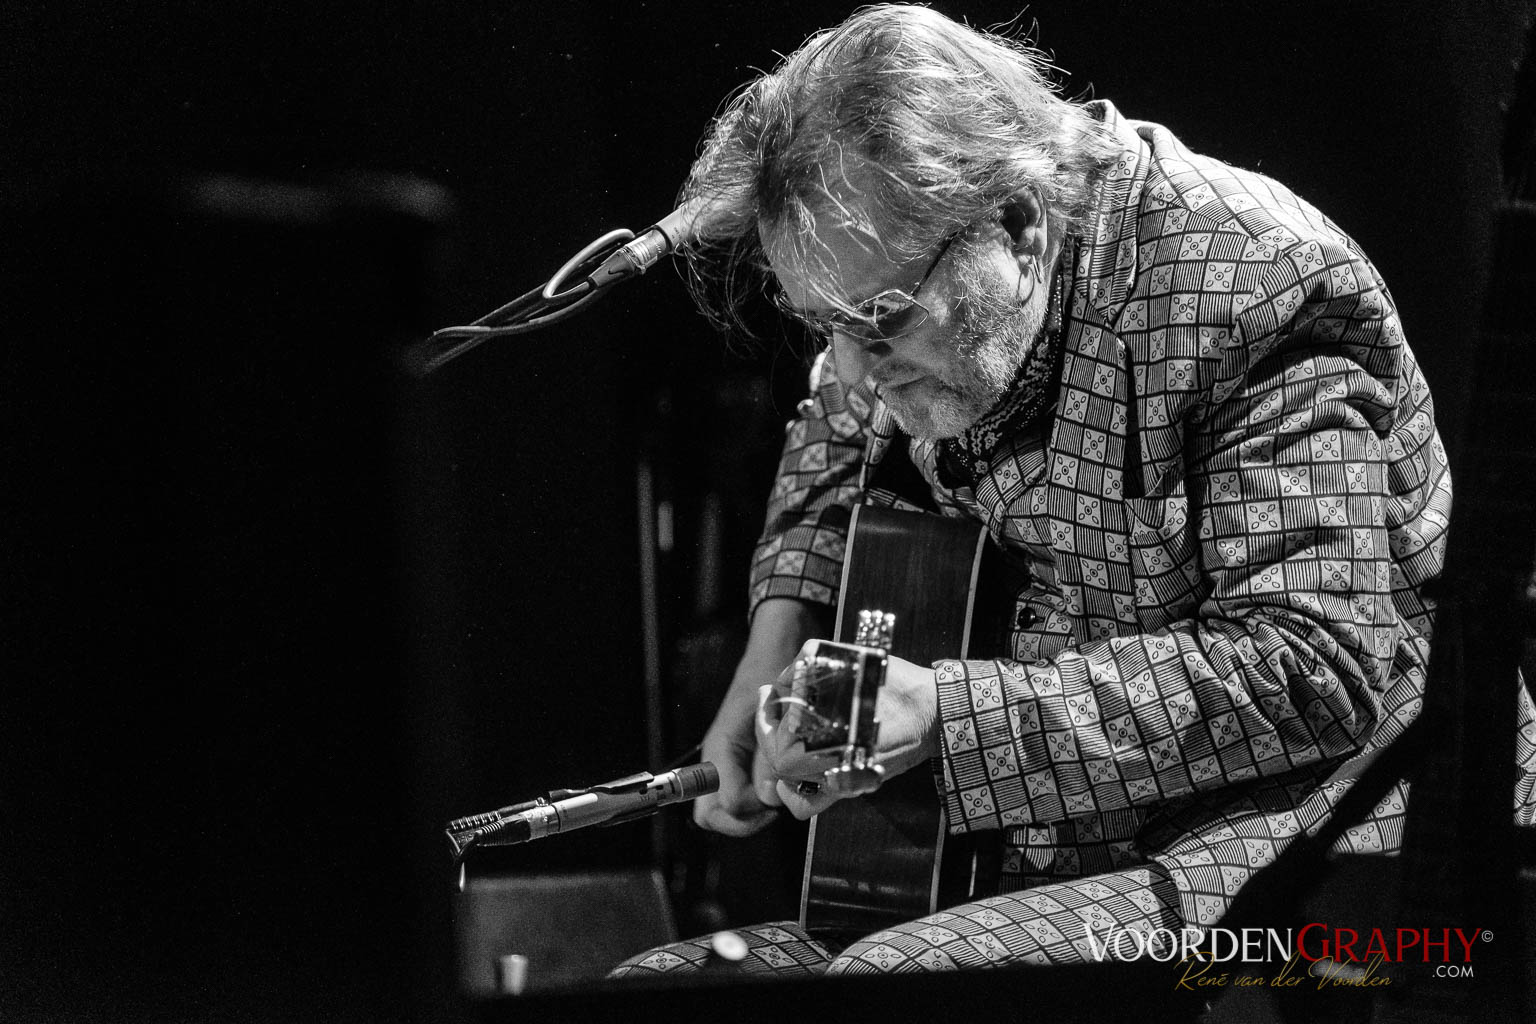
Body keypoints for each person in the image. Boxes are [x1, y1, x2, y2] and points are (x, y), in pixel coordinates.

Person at [612, 3, 1510, 978]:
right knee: (659, 987)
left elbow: (1314, 667)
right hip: (1061, 850)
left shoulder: (1257, 284)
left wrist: (946, 714)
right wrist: (773, 642)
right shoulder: (915, 294)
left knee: (894, 984)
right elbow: (838, 418)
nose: (854, 368)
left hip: (1327, 856)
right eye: (822, 324)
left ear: (1019, 226)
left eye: (878, 321)